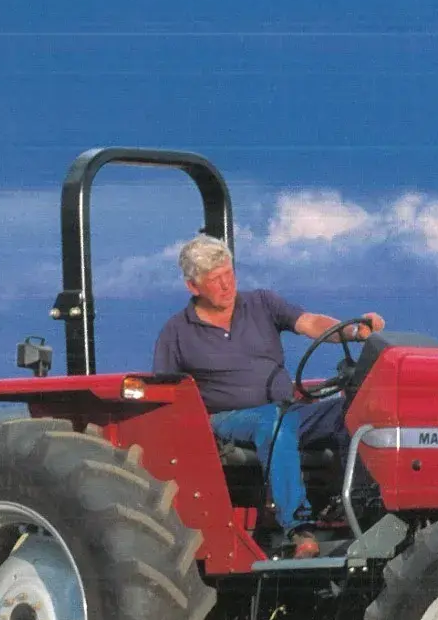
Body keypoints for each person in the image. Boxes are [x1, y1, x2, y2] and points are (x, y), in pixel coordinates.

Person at [153, 235, 385, 557]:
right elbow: (166, 392)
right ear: (193, 287)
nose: (227, 285)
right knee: (272, 422)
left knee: (356, 410)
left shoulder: (261, 303)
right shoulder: (177, 332)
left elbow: (310, 322)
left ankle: (360, 507)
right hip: (227, 421)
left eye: (229, 274)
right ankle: (298, 528)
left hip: (288, 410)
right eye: (216, 279)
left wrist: (353, 330)